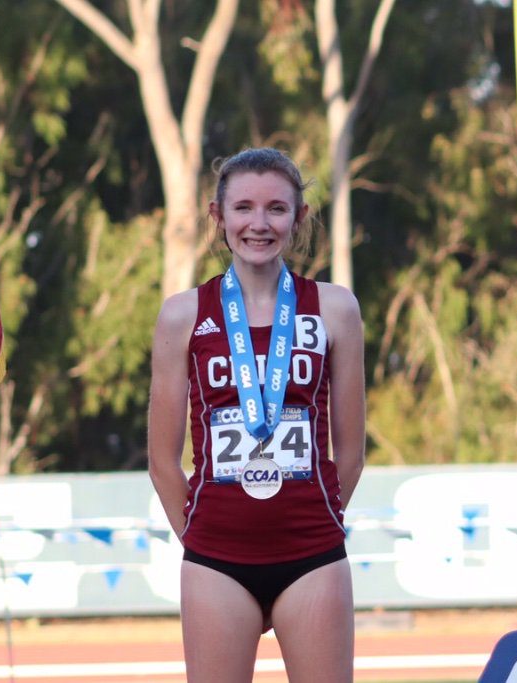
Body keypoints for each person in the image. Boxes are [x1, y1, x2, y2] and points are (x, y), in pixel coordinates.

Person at [146, 148, 366, 682]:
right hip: (216, 562)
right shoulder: (183, 314)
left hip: (313, 555)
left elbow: (352, 452)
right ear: (218, 216)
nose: (259, 224)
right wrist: (201, 538)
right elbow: (162, 460)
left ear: (299, 217)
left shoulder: (335, 309)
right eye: (243, 208)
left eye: (276, 208)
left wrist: (317, 522)